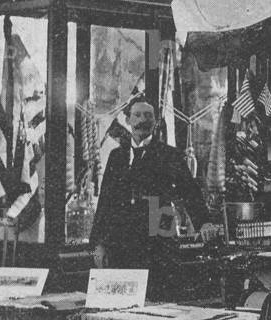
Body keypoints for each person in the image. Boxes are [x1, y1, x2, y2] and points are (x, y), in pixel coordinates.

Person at [90, 99, 217, 288]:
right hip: (120, 244)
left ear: (156, 122)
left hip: (158, 243)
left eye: (148, 116)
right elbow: (105, 201)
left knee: (158, 295)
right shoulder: (116, 156)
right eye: (137, 115)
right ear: (128, 120)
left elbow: (190, 191)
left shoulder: (170, 155)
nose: (143, 120)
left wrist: (204, 222)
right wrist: (98, 244)